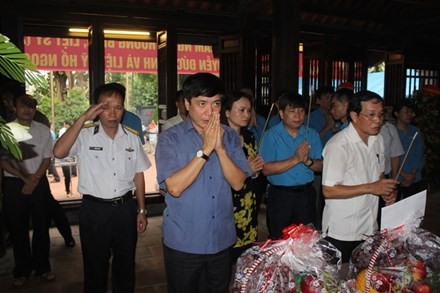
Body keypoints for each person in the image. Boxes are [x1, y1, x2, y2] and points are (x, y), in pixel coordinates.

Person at [155, 72, 251, 293]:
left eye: (215, 104)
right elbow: (175, 187)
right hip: (184, 241)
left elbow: (238, 183)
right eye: (202, 104)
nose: (210, 111)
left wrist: (219, 148)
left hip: (222, 240)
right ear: (187, 104)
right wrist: (206, 148)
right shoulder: (169, 139)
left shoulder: (229, 136)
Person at [53, 82, 151, 293]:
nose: (112, 113)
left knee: (125, 265)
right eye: (106, 107)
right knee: (95, 266)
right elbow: (59, 152)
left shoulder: (132, 137)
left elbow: (139, 175)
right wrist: (82, 118)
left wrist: (141, 210)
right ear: (96, 109)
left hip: (125, 209)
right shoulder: (84, 135)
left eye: (118, 107)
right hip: (94, 210)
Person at [321, 90, 399, 263]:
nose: (378, 120)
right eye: (371, 115)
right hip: (342, 231)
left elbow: (379, 176)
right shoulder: (339, 145)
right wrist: (372, 188)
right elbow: (329, 190)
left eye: (380, 114)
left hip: (370, 226)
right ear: (354, 116)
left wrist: (385, 191)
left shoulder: (377, 140)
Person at [1, 94, 55, 286]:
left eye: (31, 106)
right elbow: (3, 161)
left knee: (42, 226)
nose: (27, 110)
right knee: (18, 229)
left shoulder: (42, 130)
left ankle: (43, 267)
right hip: (15, 184)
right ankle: (22, 270)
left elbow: (47, 158)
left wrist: (34, 180)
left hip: (38, 181)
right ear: (14, 108)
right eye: (23, 106)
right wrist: (25, 178)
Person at [259, 92, 323, 239]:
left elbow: (321, 166)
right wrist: (295, 159)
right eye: (292, 111)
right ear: (281, 114)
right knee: (280, 240)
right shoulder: (271, 135)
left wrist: (308, 161)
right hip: (281, 196)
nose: (298, 116)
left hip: (306, 195)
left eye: (301, 111)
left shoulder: (311, 134)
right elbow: (265, 169)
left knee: (306, 240)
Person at [221, 90, 264, 263]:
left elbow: (254, 169)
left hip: (247, 198)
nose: (246, 115)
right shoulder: (219, 140)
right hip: (228, 198)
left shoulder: (249, 137)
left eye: (249, 110)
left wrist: (255, 171)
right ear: (227, 112)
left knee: (246, 255)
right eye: (241, 110)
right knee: (227, 250)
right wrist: (247, 168)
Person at [393, 99, 425, 199]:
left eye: (411, 111)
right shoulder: (390, 131)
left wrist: (412, 175)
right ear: (396, 113)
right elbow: (389, 157)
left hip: (414, 177)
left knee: (412, 210)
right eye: (406, 111)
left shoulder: (416, 131)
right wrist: (404, 175)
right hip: (396, 176)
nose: (409, 114)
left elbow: (419, 154)